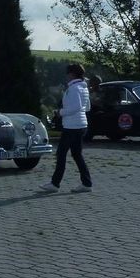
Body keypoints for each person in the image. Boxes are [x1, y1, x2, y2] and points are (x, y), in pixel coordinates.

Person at [42, 63, 93, 193]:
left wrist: (60, 112)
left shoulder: (73, 88)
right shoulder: (83, 87)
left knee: (61, 154)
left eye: (68, 73)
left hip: (72, 126)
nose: (66, 76)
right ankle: (86, 183)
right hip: (81, 125)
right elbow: (87, 107)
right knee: (77, 154)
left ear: (72, 74)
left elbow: (76, 107)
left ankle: (55, 183)